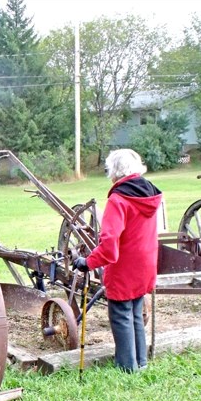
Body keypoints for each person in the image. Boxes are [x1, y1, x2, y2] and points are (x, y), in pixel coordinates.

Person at [73, 149, 163, 373]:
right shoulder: (149, 194)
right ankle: (141, 363)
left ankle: (127, 368)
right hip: (146, 265)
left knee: (121, 315)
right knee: (135, 313)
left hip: (125, 268)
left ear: (115, 172)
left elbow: (109, 246)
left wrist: (87, 262)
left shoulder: (118, 199)